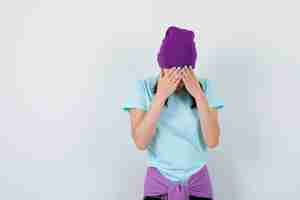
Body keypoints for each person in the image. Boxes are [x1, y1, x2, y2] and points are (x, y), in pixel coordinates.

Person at [121, 26, 224, 200]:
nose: (178, 83)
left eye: (183, 75)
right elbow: (141, 142)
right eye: (173, 74)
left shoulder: (205, 88)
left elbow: (212, 141)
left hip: (198, 182)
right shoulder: (143, 88)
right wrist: (160, 96)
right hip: (158, 183)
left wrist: (198, 95)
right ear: (162, 67)